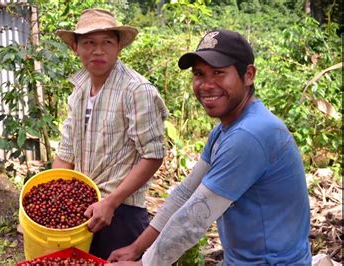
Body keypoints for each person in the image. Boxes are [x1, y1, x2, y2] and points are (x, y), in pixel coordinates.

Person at [108, 29, 311, 265]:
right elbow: (185, 193)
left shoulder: (250, 134)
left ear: (248, 75)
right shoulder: (226, 130)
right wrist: (137, 249)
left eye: (218, 73)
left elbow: (194, 218)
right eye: (199, 74)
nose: (206, 85)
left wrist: (145, 264)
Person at [53, 8, 168, 260]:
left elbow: (153, 155)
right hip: (84, 211)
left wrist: (111, 202)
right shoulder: (79, 91)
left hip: (121, 212)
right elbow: (66, 153)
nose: (97, 50)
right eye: (89, 43)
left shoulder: (136, 90)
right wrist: (54, 197)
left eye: (106, 42)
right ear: (75, 47)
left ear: (118, 47)